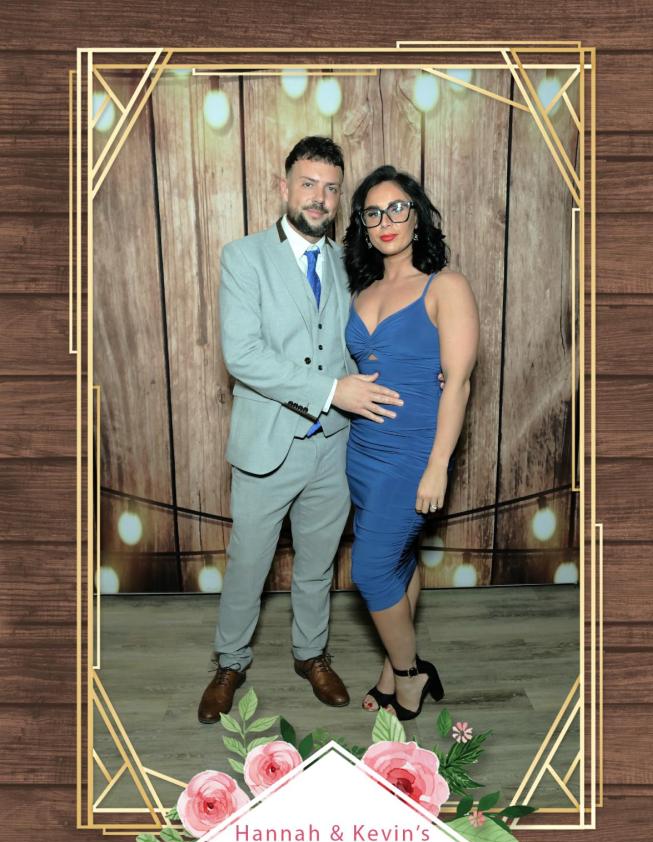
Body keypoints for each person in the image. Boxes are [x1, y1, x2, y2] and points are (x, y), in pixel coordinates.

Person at [198, 138, 404, 722]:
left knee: (318, 563)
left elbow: (366, 339)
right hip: (267, 445)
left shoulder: (348, 263)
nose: (319, 197)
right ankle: (230, 662)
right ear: (284, 187)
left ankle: (311, 654)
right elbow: (243, 355)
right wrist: (331, 390)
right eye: (308, 184)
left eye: (331, 188)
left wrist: (423, 368)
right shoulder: (243, 257)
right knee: (249, 564)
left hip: (333, 446)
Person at [343, 164, 480, 721]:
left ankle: (410, 675)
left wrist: (438, 464)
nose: (386, 220)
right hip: (362, 452)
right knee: (396, 560)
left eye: (397, 208)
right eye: (373, 213)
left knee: (370, 570)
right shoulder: (362, 290)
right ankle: (391, 668)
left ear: (417, 216)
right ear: (364, 226)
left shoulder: (445, 286)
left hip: (412, 453)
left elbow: (459, 381)